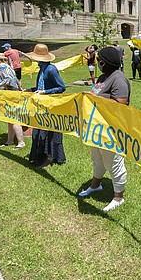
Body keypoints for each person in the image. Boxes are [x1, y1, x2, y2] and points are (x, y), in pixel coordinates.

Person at [77, 46, 130, 212]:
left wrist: (95, 98)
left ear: (107, 62)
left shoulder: (119, 79)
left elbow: (121, 105)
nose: (98, 62)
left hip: (111, 129)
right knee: (97, 158)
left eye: (100, 60)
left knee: (113, 162)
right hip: (97, 127)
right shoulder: (103, 76)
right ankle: (95, 185)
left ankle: (118, 197)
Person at [26, 43, 67, 168]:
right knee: (37, 132)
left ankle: (49, 157)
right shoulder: (42, 68)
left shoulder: (51, 69)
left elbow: (61, 87)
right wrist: (31, 89)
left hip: (50, 106)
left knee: (48, 132)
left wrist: (46, 92)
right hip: (40, 105)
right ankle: (39, 156)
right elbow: (41, 86)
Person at [0, 52, 26, 149]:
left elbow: (8, 80)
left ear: (0, 60)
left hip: (11, 95)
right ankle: (10, 140)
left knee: (13, 119)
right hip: (11, 94)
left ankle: (21, 142)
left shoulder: (2, 67)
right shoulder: (7, 66)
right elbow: (16, 80)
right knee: (10, 119)